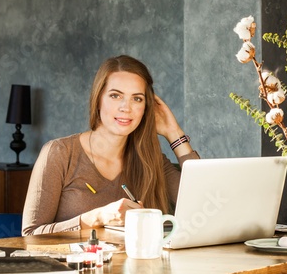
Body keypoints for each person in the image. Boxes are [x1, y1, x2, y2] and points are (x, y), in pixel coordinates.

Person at [22, 55, 199, 235]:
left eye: (137, 98)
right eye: (115, 95)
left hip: (137, 263)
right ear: (98, 99)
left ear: (146, 108)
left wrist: (174, 133)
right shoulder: (59, 153)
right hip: (72, 263)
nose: (126, 107)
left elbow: (203, 205)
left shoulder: (152, 160)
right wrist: (97, 217)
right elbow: (30, 235)